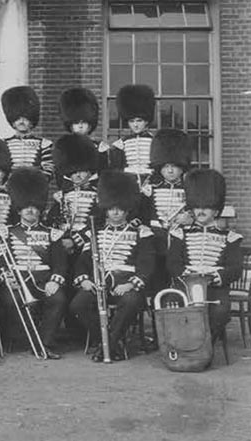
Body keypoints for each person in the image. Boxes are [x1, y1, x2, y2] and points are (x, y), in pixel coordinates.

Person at [69, 171, 155, 361]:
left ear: (127, 209)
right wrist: (84, 281)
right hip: (99, 282)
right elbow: (83, 262)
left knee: (131, 302)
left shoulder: (141, 232)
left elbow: (147, 264)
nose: (115, 212)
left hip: (127, 282)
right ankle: (111, 342)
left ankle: (108, 345)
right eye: (112, 209)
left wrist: (130, 284)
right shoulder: (95, 232)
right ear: (106, 209)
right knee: (78, 304)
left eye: (120, 209)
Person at [0, 167, 68, 360]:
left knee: (58, 299)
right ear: (19, 209)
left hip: (44, 280)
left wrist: (55, 281)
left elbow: (60, 264)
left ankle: (45, 342)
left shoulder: (52, 234)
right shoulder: (7, 232)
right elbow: (2, 261)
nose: (30, 210)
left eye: (34, 207)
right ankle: (27, 340)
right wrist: (7, 278)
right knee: (11, 300)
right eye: (26, 207)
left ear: (40, 209)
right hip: (17, 280)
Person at [167, 169, 243, 339]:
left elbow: (235, 268)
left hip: (215, 288)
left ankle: (205, 346)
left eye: (206, 207)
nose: (200, 211)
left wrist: (217, 277)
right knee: (170, 305)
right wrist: (185, 275)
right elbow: (173, 262)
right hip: (186, 285)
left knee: (220, 312)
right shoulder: (180, 234)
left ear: (216, 211)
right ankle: (183, 345)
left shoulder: (230, 238)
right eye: (197, 207)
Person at [140, 128, 192, 294]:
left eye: (174, 166)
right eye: (166, 166)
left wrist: (190, 218)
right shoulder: (151, 189)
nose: (170, 171)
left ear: (182, 168)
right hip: (157, 240)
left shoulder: (190, 189)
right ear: (160, 167)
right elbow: (141, 215)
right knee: (158, 281)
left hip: (181, 241)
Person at [46, 133, 101, 255]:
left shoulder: (98, 194)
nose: (77, 175)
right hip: (63, 242)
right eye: (73, 172)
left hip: (87, 243)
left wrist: (75, 240)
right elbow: (52, 221)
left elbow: (98, 223)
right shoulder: (63, 195)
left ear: (90, 171)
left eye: (81, 171)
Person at [0, 86, 53, 179]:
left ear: (32, 121)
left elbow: (48, 170)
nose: (21, 122)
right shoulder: (4, 144)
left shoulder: (44, 144)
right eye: (17, 118)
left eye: (25, 118)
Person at [110, 84, 156, 186]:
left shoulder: (155, 141)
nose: (135, 125)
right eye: (131, 121)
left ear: (146, 121)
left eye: (139, 121)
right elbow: (117, 169)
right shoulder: (120, 144)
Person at [59, 87, 110, 172]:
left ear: (90, 125)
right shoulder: (63, 147)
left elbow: (103, 172)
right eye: (76, 123)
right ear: (70, 125)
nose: (80, 126)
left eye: (84, 122)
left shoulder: (100, 148)